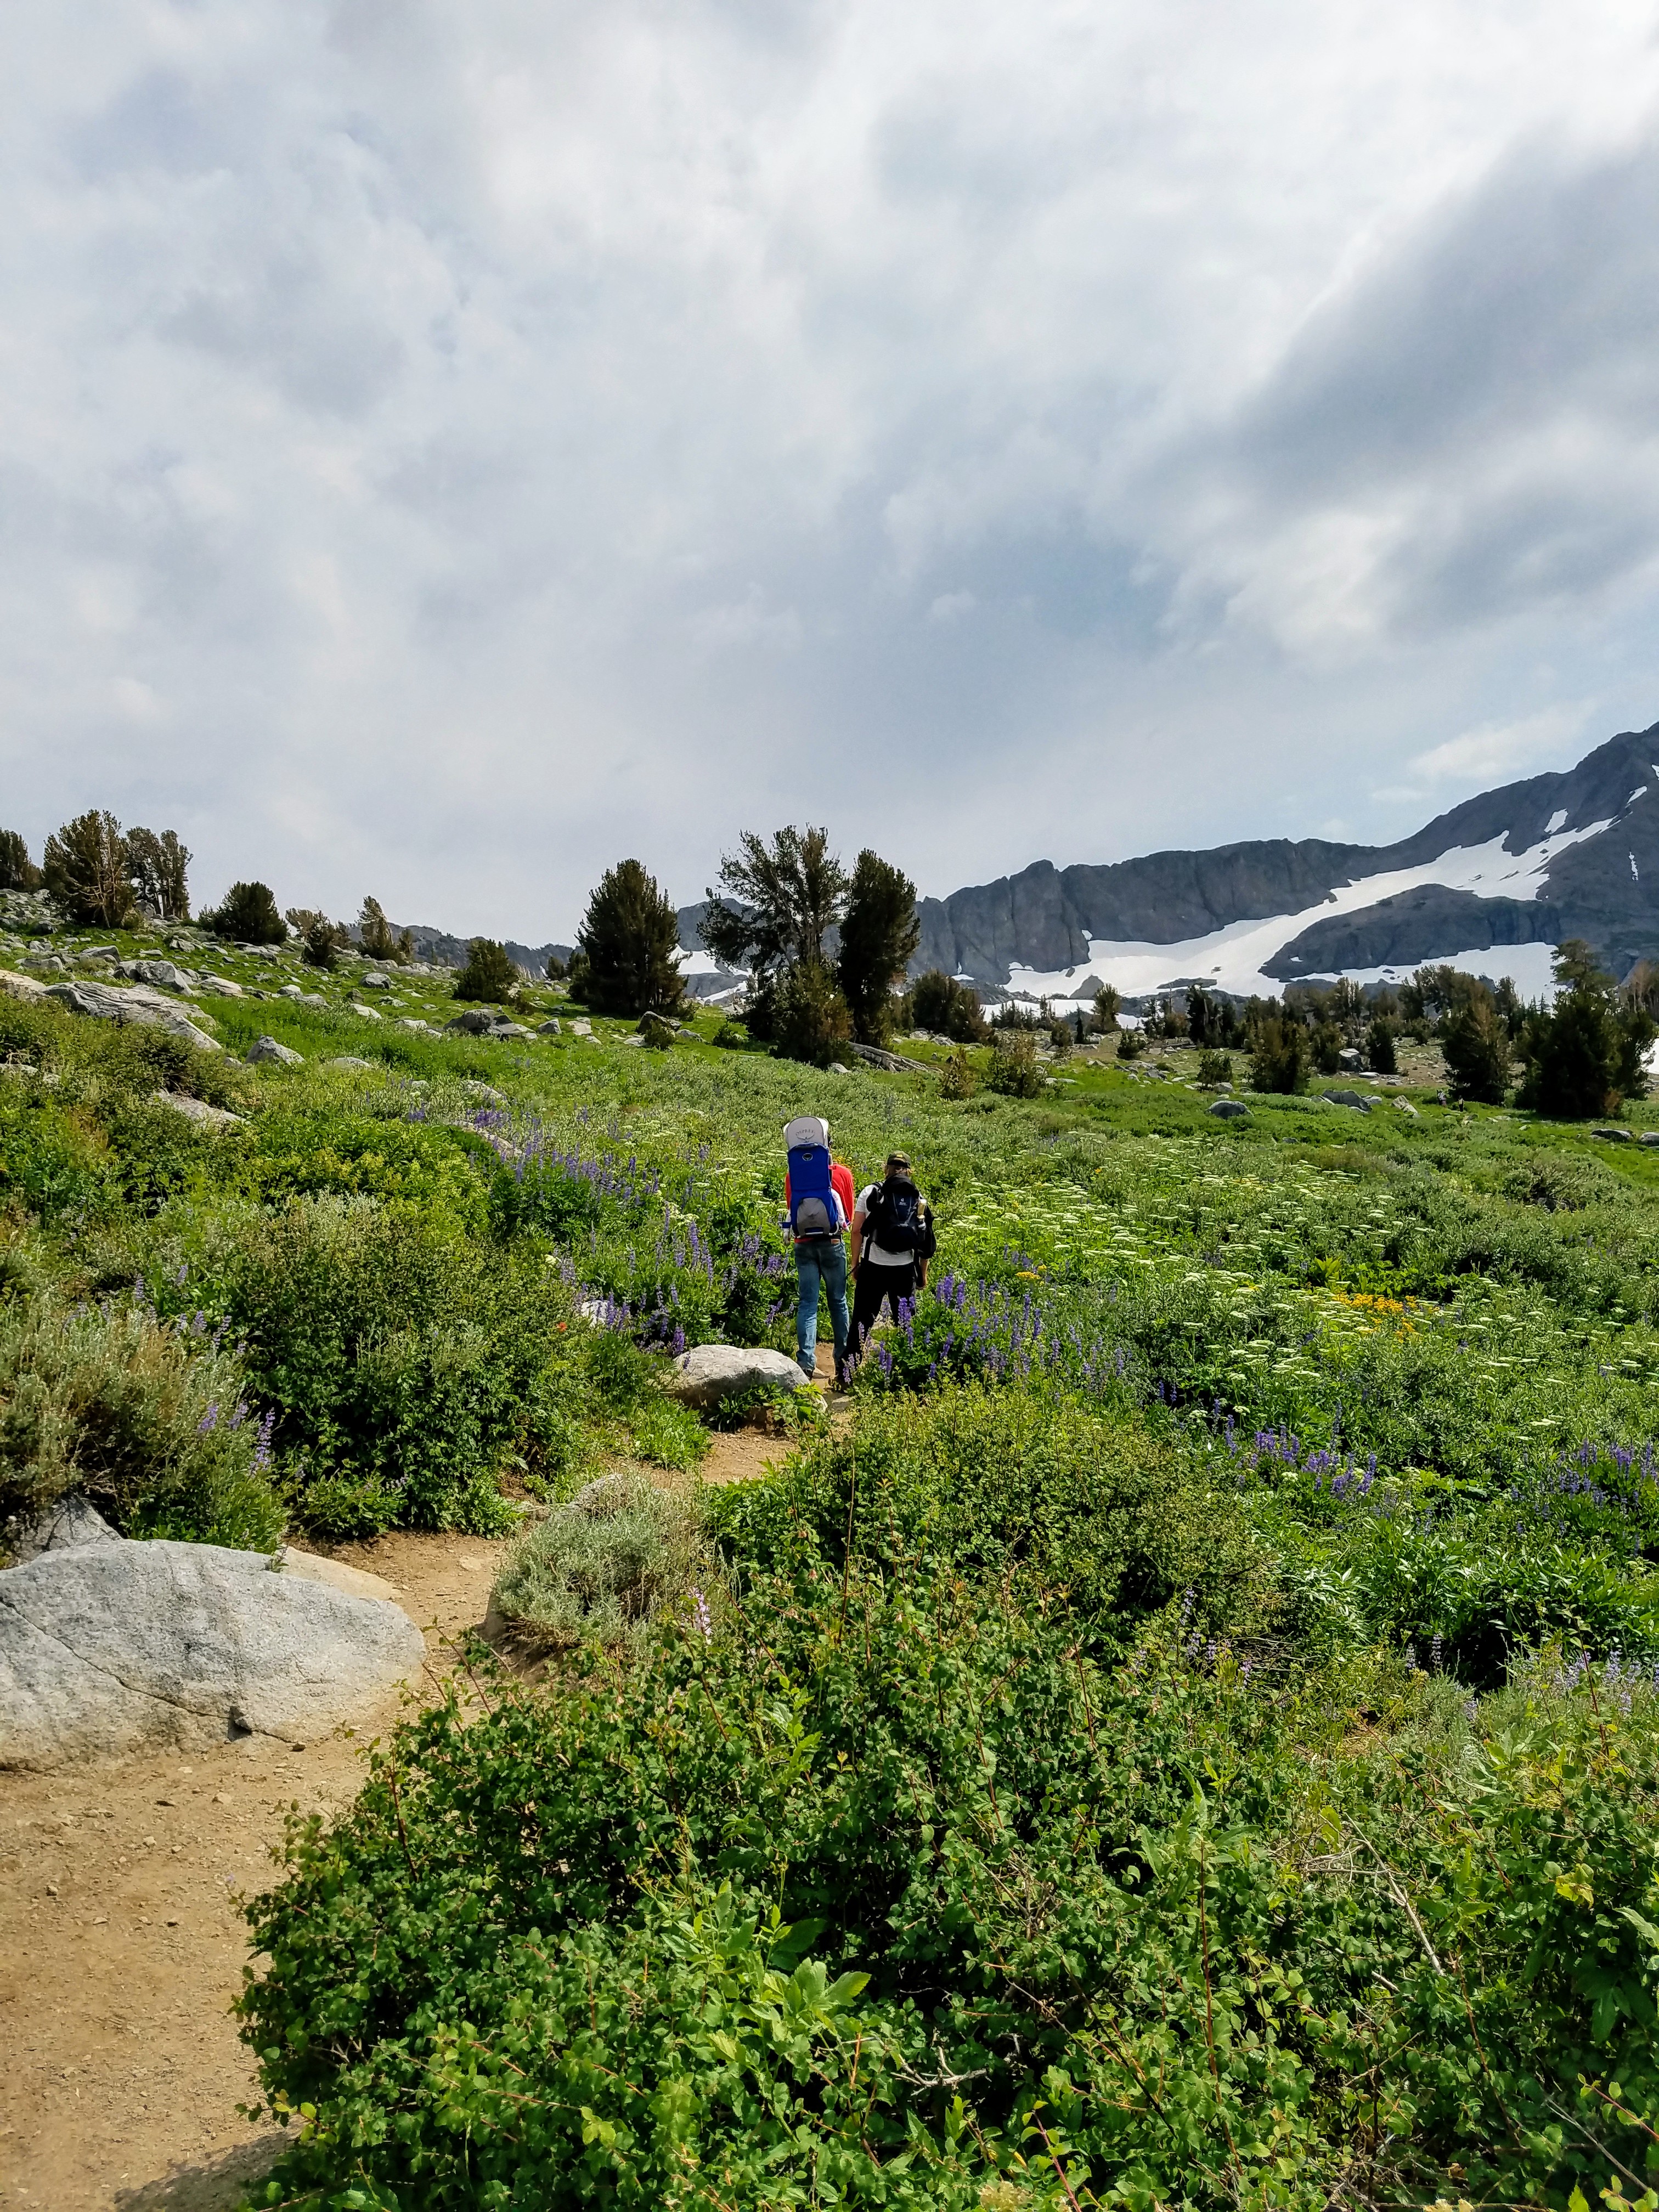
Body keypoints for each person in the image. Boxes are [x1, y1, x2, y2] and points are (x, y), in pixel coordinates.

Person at [781, 1115, 855, 1384]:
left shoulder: (793, 1174)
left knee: (808, 1304)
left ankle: (806, 1364)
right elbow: (848, 1215)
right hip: (834, 1243)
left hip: (803, 1246)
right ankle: (844, 1364)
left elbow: (792, 1207)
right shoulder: (844, 1174)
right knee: (838, 1302)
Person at [848, 1153, 935, 1365]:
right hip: (905, 1270)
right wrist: (922, 1275)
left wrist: (855, 1263)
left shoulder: (871, 1192)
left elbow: (857, 1231)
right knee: (906, 1324)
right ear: (909, 1171)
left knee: (862, 1321)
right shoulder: (919, 1197)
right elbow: (926, 1243)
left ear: (885, 1168)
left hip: (873, 1267)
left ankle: (846, 1374)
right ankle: (905, 1375)